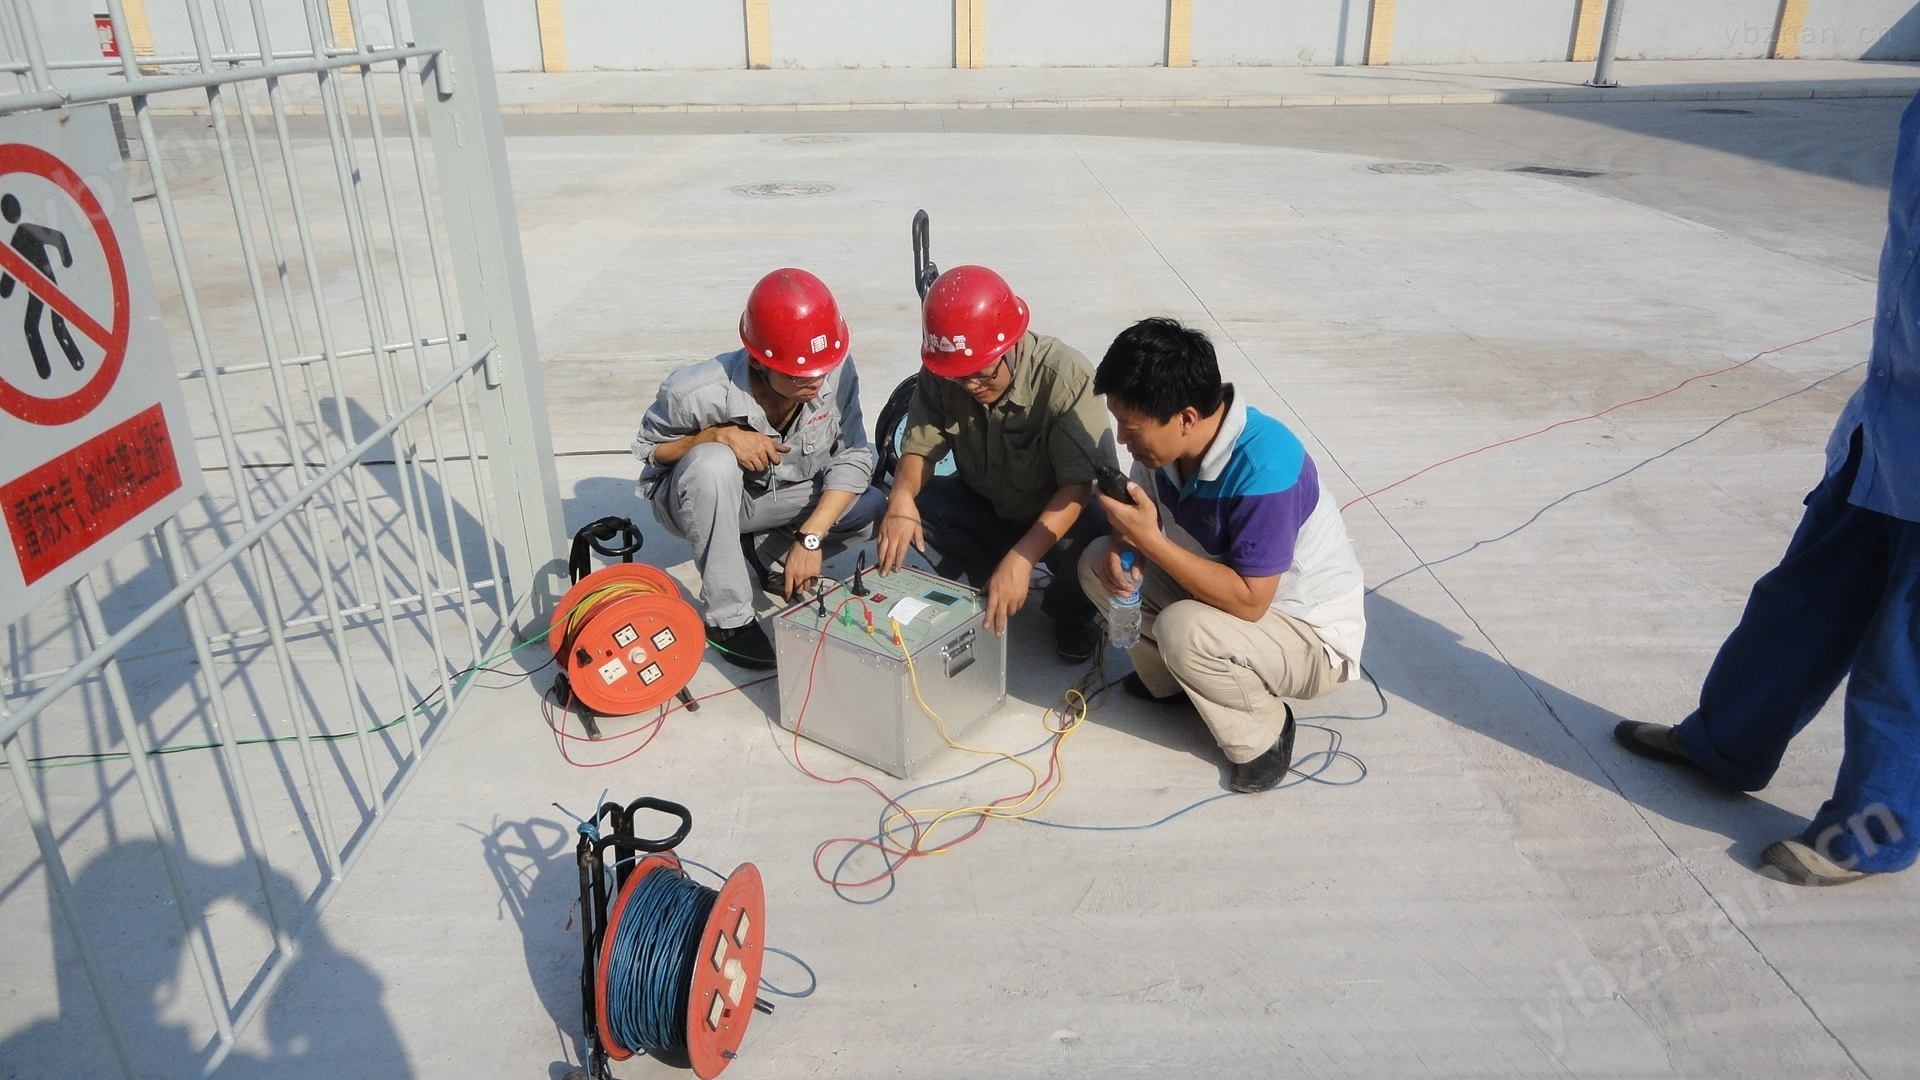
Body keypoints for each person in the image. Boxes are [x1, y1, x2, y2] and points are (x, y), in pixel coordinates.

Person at [1612, 95, 1920, 887]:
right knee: (1798, 603)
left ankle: (1873, 830)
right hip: (1889, 425)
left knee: (1905, 662)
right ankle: (1725, 744)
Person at [1079, 317, 1365, 793]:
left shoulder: (1265, 467)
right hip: (1231, 604)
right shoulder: (1163, 451)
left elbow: (1251, 602)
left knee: (1183, 629)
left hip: (1306, 633)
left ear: (1186, 417)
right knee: (1095, 563)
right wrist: (1125, 546)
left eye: (1131, 428)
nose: (1123, 440)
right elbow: (1141, 535)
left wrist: (1150, 542)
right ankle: (1173, 686)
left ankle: (1264, 734)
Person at [633, 268, 883, 669]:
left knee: (871, 507)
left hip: (778, 496)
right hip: (700, 500)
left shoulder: (832, 367)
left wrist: (811, 539)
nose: (815, 382)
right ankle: (728, 618)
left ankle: (772, 557)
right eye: (799, 375)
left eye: (821, 370)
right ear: (761, 362)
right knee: (712, 465)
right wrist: (713, 436)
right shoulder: (694, 392)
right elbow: (651, 451)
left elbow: (852, 456)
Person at [877, 265, 1113, 662]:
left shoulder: (1066, 378)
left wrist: (1024, 557)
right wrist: (901, 498)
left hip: (1052, 517)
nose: (970, 386)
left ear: (1010, 346)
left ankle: (1069, 613)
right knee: (913, 507)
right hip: (984, 502)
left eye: (981, 375)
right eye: (960, 379)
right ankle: (988, 578)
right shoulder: (944, 372)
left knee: (1098, 535)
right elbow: (920, 446)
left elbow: (1078, 485)